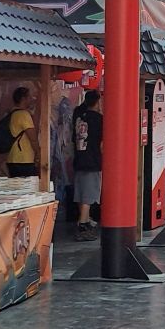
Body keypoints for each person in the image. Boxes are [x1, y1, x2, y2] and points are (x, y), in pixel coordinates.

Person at [72, 90, 103, 242]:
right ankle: (83, 225)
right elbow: (102, 142)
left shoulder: (79, 118)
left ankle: (82, 219)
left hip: (79, 157)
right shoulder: (98, 119)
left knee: (80, 192)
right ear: (97, 102)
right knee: (89, 194)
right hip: (93, 159)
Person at [6, 87, 38, 178]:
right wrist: (39, 153)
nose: (31, 100)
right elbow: (33, 138)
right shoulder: (23, 115)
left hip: (12, 157)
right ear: (23, 99)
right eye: (29, 97)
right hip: (24, 159)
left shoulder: (12, 113)